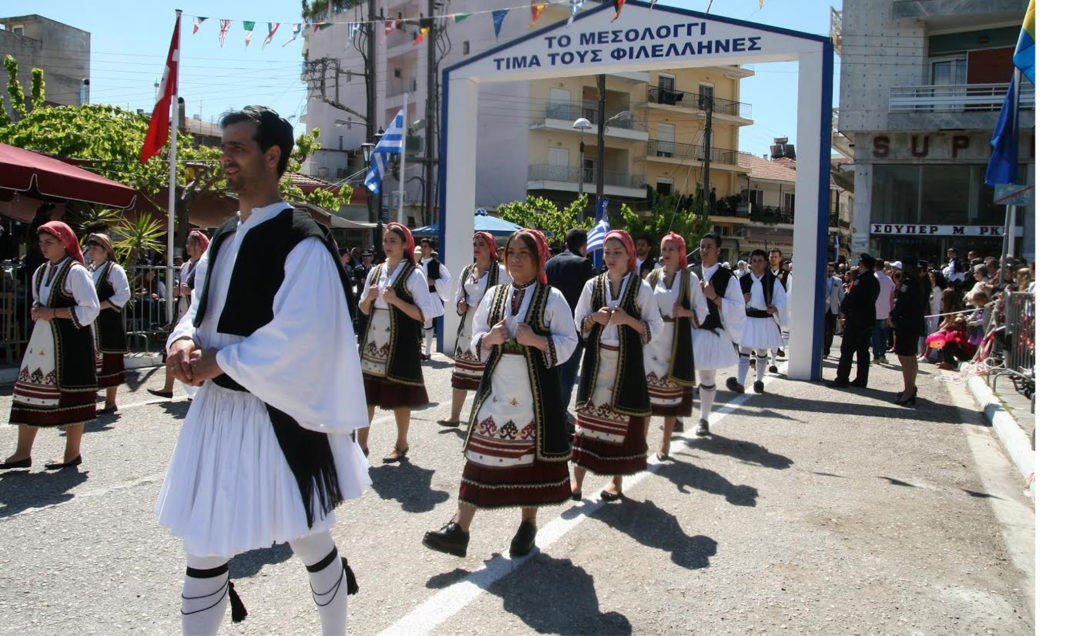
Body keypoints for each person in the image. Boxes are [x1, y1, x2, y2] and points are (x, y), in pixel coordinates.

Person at [155, 106, 370, 634]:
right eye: (223, 146)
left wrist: (220, 360)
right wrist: (182, 338)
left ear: (272, 156)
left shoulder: (303, 240)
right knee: (205, 543)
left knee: (311, 536)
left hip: (280, 414)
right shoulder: (225, 235)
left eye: (238, 148)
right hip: (217, 412)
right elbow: (200, 305)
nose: (224, 157)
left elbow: (305, 337)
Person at [422, 229, 577, 559]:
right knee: (479, 456)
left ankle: (527, 526)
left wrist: (535, 340)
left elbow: (569, 342)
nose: (517, 259)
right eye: (512, 254)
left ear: (538, 260)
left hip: (535, 396)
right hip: (495, 390)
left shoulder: (553, 299)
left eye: (525, 254)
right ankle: (459, 529)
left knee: (531, 463)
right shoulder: (493, 296)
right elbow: (477, 334)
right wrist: (490, 339)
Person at [570, 230, 662, 501]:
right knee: (586, 421)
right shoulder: (593, 285)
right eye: (607, 252)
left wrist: (628, 321)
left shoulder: (641, 287)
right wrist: (594, 319)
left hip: (627, 364)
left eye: (617, 252)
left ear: (629, 255)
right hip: (597, 362)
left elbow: (654, 327)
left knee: (619, 423)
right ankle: (577, 481)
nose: (610, 257)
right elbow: (579, 320)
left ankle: (615, 481)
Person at [2, 221, 99, 471]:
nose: (43, 247)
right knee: (28, 392)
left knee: (72, 395)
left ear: (65, 243)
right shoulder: (41, 271)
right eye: (41, 242)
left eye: (50, 242)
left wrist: (52, 312)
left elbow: (90, 309)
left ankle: (72, 453)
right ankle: (22, 453)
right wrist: (38, 311)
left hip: (71, 344)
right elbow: (40, 303)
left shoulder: (76, 272)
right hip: (43, 342)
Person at [359, 223, 440, 462]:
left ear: (405, 245)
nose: (388, 245)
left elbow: (424, 313)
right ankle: (361, 446)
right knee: (366, 394)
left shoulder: (414, 274)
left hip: (400, 342)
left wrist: (396, 301)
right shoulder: (375, 272)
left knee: (400, 395)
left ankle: (401, 443)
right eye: (385, 240)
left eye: (393, 240)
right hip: (373, 340)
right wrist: (369, 299)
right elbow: (363, 309)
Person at [644, 232, 706, 460]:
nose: (667, 253)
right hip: (651, 343)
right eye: (664, 249)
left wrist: (686, 312)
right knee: (645, 397)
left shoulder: (689, 279)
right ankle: (641, 443)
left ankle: (665, 441)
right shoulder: (652, 277)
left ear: (681, 252)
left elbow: (703, 312)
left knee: (669, 398)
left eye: (672, 249)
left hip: (675, 342)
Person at [437, 232, 509, 428]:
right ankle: (454, 416)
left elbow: (508, 300)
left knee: (488, 376)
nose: (477, 248)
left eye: (482, 244)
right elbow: (458, 297)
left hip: (489, 328)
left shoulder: (501, 272)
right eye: (475, 244)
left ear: (491, 248)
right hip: (467, 327)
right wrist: (460, 304)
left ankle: (483, 418)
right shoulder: (467, 271)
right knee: (460, 372)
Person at [690, 233, 744, 435]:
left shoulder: (727, 278)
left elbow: (738, 308)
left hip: (710, 332)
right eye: (702, 246)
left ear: (717, 251)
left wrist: (714, 297)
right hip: (690, 329)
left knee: (706, 375)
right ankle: (675, 417)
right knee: (681, 375)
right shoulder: (691, 273)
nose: (704, 250)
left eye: (708, 247)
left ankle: (703, 419)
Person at [150, 230, 209, 399]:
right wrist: (177, 292)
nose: (187, 246)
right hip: (182, 308)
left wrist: (189, 292)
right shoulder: (185, 265)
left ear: (198, 245)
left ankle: (196, 388)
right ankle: (168, 387)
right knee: (173, 345)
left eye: (190, 243)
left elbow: (204, 291)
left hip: (193, 308)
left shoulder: (204, 265)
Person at [544, 228, 596, 416]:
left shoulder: (550, 263)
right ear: (584, 246)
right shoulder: (584, 264)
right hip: (573, 328)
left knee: (551, 373)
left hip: (548, 326)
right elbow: (592, 298)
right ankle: (559, 417)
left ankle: (549, 413)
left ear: (566, 243)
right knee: (567, 375)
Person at [726, 249, 787, 395]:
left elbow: (782, 298)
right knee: (745, 350)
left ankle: (759, 380)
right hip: (748, 318)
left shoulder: (772, 280)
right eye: (754, 261)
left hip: (765, 319)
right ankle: (740, 382)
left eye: (760, 261)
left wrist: (776, 308)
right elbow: (733, 298)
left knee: (761, 350)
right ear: (750, 263)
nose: (757, 264)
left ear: (766, 263)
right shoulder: (743, 280)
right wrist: (743, 299)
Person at [86, 233, 131, 414]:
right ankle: (89, 401)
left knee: (110, 361)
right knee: (90, 362)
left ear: (106, 250)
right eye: (90, 247)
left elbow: (124, 294)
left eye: (96, 248)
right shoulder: (89, 270)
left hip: (108, 323)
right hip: (91, 324)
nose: (92, 251)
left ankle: (110, 402)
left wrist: (100, 306)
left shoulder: (114, 270)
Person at [827, 253, 880, 388]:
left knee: (847, 350)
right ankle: (861, 379)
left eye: (860, 264)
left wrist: (845, 308)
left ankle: (842, 378)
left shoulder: (861, 280)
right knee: (863, 351)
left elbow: (854, 298)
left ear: (863, 265)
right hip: (867, 319)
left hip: (857, 319)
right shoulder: (873, 280)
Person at [889, 258, 925, 406]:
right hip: (913, 324)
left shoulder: (908, 283)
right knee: (910, 357)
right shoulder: (918, 282)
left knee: (905, 358)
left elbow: (902, 304)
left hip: (906, 324)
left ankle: (908, 393)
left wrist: (893, 317)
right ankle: (909, 389)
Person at [418, 238, 452, 361]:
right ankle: (417, 349)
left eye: (425, 246)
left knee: (427, 323)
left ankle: (427, 352)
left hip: (430, 297)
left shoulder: (437, 264)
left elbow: (448, 279)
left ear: (431, 248)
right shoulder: (416, 263)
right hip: (416, 297)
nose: (423, 249)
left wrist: (435, 282)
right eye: (422, 246)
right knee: (416, 323)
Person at [768, 248, 791, 368]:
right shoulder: (764, 273)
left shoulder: (787, 275)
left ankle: (772, 362)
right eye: (771, 256)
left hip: (778, 310)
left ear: (780, 258)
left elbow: (789, 293)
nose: (773, 259)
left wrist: (778, 306)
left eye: (775, 257)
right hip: (764, 309)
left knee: (776, 334)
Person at [871, 259, 894, 363]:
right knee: (883, 334)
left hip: (874, 310)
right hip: (885, 311)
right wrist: (891, 312)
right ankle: (882, 355)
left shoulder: (873, 278)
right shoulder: (889, 279)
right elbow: (891, 298)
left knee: (875, 334)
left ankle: (876, 356)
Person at [824, 262, 844, 358]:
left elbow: (841, 296)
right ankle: (822, 349)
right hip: (823, 309)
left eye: (832, 271)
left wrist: (842, 310)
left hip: (833, 309)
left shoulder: (838, 281)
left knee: (831, 331)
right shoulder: (820, 279)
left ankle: (826, 350)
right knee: (823, 330)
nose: (830, 273)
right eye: (828, 271)